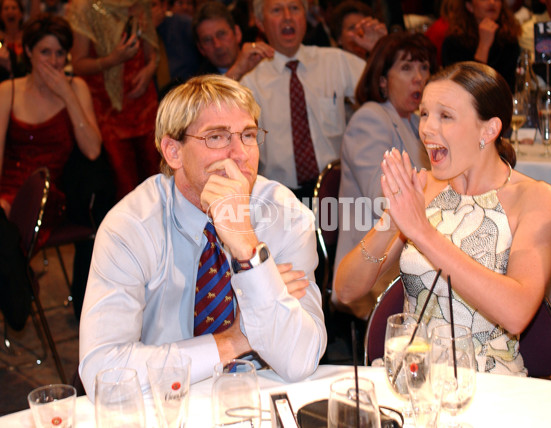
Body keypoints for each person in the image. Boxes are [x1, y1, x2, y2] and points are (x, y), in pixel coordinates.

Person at [78, 74, 327, 399]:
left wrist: (248, 250)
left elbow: (300, 359)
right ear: (173, 152)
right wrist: (234, 340)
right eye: (217, 137)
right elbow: (104, 376)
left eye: (248, 135)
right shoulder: (131, 227)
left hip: (262, 399)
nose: (240, 154)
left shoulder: (286, 215)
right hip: (167, 404)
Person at [334, 61, 551, 375]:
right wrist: (393, 220)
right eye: (425, 113)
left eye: (445, 116)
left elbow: (516, 313)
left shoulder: (535, 199)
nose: (427, 128)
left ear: (489, 129)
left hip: (492, 386)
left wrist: (423, 232)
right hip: (412, 379)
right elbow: (345, 291)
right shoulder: (424, 189)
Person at [0, 14, 102, 317]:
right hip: (7, 192)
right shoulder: (9, 90)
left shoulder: (77, 87)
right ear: (29, 52)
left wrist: (67, 96)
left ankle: (16, 294)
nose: (54, 61)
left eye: (60, 53)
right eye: (46, 52)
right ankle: (19, 284)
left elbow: (93, 150)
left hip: (48, 197)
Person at [333, 32, 436, 319]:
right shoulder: (370, 118)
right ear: (382, 80)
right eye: (406, 68)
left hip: (410, 247)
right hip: (374, 264)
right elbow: (382, 199)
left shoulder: (418, 121)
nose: (419, 78)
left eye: (424, 68)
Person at [241, 0, 365, 200]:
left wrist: (377, 47)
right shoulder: (250, 80)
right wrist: (235, 71)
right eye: (276, 10)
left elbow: (381, 87)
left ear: (304, 18)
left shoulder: (335, 61)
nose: (287, 16)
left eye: (295, 8)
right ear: (261, 24)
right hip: (279, 198)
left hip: (338, 191)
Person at [67, 0, 162, 201]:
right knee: (125, 186)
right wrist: (113, 59)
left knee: (159, 178)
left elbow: (151, 51)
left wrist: (150, 69)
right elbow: (78, 64)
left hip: (144, 103)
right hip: (108, 107)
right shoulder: (84, 7)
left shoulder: (139, 3)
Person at [442, 0, 522, 92]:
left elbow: (510, 85)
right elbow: (465, 86)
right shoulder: (453, 42)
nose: (492, 2)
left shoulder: (508, 39)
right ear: (469, 6)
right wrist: (484, 46)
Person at [193, 0, 274, 81]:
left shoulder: (264, 60)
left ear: (237, 33)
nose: (217, 45)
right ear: (201, 49)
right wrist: (238, 69)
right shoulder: (200, 83)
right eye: (207, 40)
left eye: (221, 34)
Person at [151, 0, 202, 94]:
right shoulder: (136, 36)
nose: (148, 11)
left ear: (164, 6)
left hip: (189, 93)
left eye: (152, 5)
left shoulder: (185, 25)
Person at [0, 0, 27, 81]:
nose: (10, 11)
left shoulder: (28, 36)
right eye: (6, 8)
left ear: (21, 14)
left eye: (14, 8)